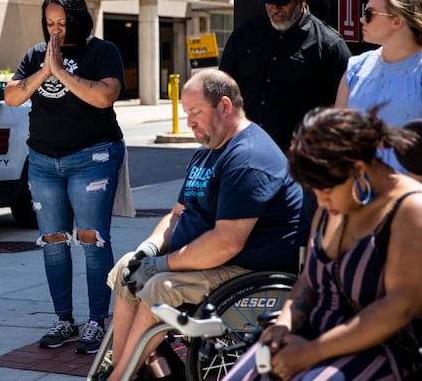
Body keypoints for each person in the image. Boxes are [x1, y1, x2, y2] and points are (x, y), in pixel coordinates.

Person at [101, 69, 310, 381]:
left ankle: (121, 376)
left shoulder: (248, 157)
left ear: (225, 106)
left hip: (245, 270)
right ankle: (124, 369)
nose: (190, 123)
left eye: (196, 112)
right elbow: (177, 214)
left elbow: (227, 242)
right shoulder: (208, 151)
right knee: (126, 268)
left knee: (159, 287)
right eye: (186, 114)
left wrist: (161, 265)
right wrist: (148, 250)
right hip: (206, 262)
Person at [222, 107, 422, 381]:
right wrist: (284, 325)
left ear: (358, 169)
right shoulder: (334, 206)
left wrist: (312, 352)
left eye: (326, 191)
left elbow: (400, 307)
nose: (322, 201)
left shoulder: (409, 209)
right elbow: (308, 281)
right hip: (308, 338)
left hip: (378, 352)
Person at [4, 0, 127, 354]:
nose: (55, 30)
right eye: (49, 23)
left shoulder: (103, 51)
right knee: (54, 242)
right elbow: (11, 96)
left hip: (93, 157)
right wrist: (45, 71)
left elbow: (104, 96)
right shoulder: (36, 55)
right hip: (43, 161)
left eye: (61, 22)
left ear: (77, 19)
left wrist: (62, 72)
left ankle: (96, 321)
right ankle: (63, 319)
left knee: (91, 239)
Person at [219, 0, 351, 152]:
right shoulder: (244, 35)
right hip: (245, 151)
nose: (274, 8)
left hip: (298, 160)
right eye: (269, 1)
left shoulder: (329, 45)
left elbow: (342, 110)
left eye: (282, 1)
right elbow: (224, 92)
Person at [335, 0, 422, 173]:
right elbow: (338, 141)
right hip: (359, 195)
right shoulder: (355, 68)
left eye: (369, 13)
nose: (361, 19)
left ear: (397, 20)